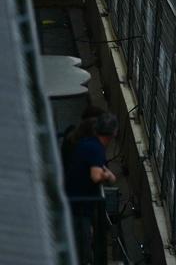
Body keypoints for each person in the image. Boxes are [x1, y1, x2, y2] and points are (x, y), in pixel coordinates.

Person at [64, 112, 119, 263]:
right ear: (114, 133)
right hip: (79, 208)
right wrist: (108, 176)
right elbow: (96, 175)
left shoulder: (87, 143)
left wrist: (108, 174)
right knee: (82, 253)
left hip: (72, 203)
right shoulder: (96, 149)